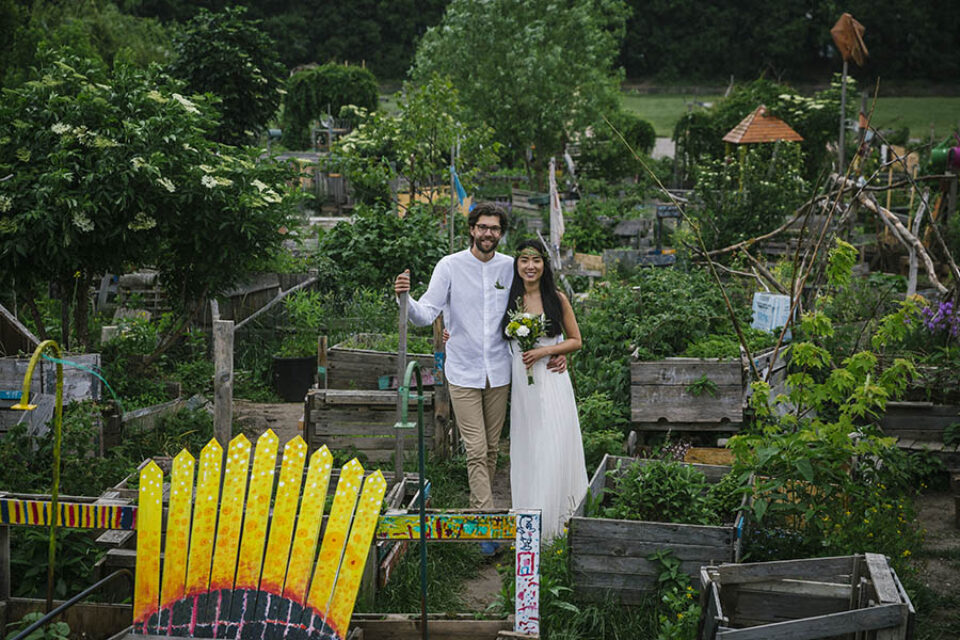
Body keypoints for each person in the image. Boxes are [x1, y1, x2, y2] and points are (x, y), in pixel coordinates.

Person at [394, 203, 565, 535]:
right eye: (483, 227)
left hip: (500, 370)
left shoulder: (509, 267)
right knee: (475, 448)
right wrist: (405, 299)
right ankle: (486, 526)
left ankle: (480, 511)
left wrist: (557, 348)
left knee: (490, 449)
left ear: (501, 233)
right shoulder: (450, 266)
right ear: (472, 229)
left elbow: (537, 304)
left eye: (495, 228)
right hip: (463, 370)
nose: (488, 233)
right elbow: (426, 313)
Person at [500, 238, 588, 540]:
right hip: (524, 388)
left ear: (544, 265)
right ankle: (528, 519)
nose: (530, 266)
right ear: (517, 264)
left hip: (551, 380)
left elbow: (576, 340)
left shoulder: (557, 298)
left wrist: (547, 351)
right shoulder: (510, 299)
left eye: (536, 260)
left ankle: (554, 524)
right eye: (524, 260)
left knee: (551, 444)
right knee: (528, 448)